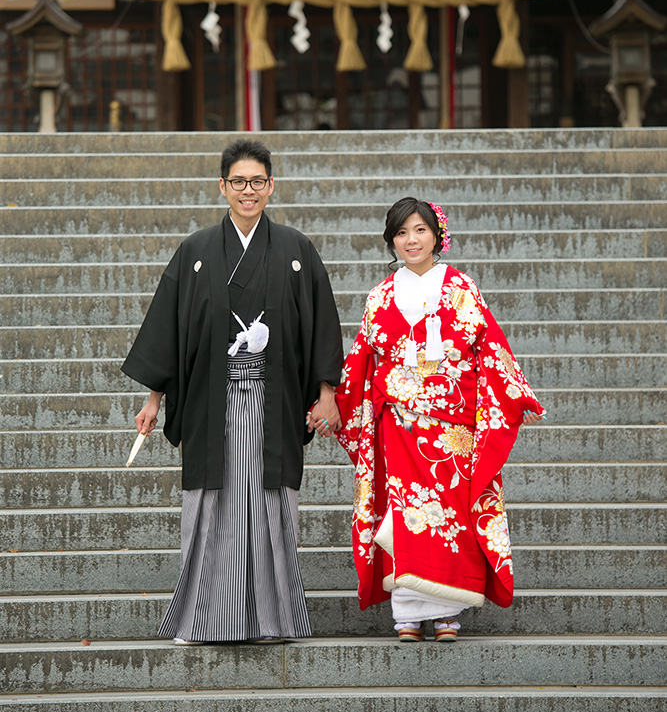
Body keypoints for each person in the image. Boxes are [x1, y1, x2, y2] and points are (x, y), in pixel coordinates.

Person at [121, 138, 343, 644]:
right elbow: (169, 330)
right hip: (209, 401)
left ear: (271, 186)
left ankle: (273, 620)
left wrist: (326, 391)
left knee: (269, 501)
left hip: (273, 398)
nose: (248, 191)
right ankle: (206, 620)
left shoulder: (295, 249)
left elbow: (321, 324)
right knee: (213, 505)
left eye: (257, 182)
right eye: (238, 182)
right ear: (222, 186)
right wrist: (153, 398)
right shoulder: (196, 250)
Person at [333, 197, 546, 642]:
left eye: (420, 230)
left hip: (455, 428)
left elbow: (489, 351)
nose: (411, 240)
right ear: (392, 240)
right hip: (401, 425)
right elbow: (363, 362)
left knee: (450, 516)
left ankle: (448, 612)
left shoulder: (461, 287)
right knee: (406, 513)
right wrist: (336, 401)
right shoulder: (381, 295)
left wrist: (514, 396)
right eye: (402, 233)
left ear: (437, 235)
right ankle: (407, 612)